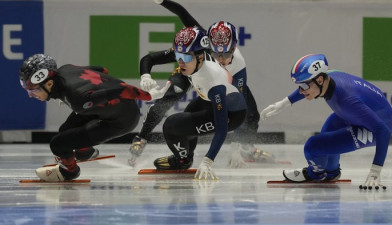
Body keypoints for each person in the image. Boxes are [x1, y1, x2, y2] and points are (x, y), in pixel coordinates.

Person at [129, 0, 273, 168]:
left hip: (219, 83)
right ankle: (143, 137)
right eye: (214, 53)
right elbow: (183, 14)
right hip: (194, 70)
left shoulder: (238, 66)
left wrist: (234, 147)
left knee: (251, 114)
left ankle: (245, 147)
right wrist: (162, 1)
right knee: (170, 97)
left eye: (225, 54)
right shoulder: (199, 42)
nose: (220, 59)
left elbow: (240, 107)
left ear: (234, 49)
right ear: (207, 45)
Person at [19, 54, 170, 181]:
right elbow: (101, 70)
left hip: (122, 120)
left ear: (50, 83)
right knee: (65, 130)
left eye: (33, 90)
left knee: (58, 144)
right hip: (107, 108)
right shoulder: (64, 69)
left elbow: (120, 90)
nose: (31, 95)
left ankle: (69, 171)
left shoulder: (78, 98)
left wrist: (149, 95)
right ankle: (86, 152)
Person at [260, 54, 392, 189]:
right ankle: (331, 173)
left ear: (319, 79)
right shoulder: (328, 75)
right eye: (299, 86)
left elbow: (383, 131)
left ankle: (314, 174)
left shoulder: (347, 100)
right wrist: (283, 104)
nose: (301, 91)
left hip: (377, 128)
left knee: (312, 147)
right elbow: (307, 85)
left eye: (304, 86)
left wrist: (375, 171)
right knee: (328, 129)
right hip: (364, 114)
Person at [153, 26, 247, 180]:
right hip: (210, 100)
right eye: (178, 56)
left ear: (201, 57)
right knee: (187, 117)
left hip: (232, 114)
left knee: (171, 126)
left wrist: (207, 161)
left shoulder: (214, 83)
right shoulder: (198, 58)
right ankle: (187, 156)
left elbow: (222, 128)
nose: (182, 62)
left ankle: (182, 161)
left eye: (187, 58)